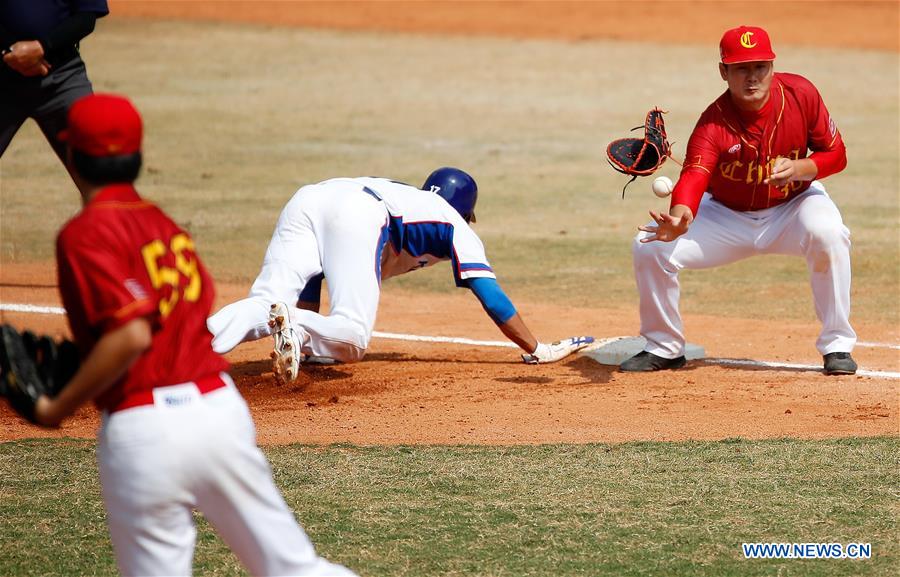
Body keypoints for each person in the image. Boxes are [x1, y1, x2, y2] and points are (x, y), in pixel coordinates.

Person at [30, 93, 356, 577]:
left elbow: (131, 335)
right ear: (138, 158)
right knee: (294, 568)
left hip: (145, 426)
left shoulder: (86, 232)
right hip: (219, 412)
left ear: (71, 155)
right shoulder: (164, 226)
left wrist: (58, 405)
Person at [619, 25, 857, 375]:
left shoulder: (801, 94)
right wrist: (680, 218)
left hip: (794, 208)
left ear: (772, 66)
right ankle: (664, 346)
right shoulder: (712, 123)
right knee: (648, 245)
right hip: (727, 218)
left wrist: (801, 167)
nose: (752, 77)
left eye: (760, 66)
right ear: (723, 72)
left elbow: (836, 154)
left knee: (829, 232)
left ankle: (837, 346)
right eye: (741, 68)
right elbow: (694, 176)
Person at [208, 169, 593, 380]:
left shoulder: (409, 196)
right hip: (357, 211)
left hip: (308, 197)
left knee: (266, 300)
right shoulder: (454, 224)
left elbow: (315, 272)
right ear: (465, 210)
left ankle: (190, 342)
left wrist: (305, 345)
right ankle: (296, 324)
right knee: (353, 338)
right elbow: (489, 295)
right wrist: (536, 349)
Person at [0, 0, 108, 166]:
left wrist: (43, 47)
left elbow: (86, 17)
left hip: (62, 77)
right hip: (3, 77)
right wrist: (10, 52)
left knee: (96, 165)